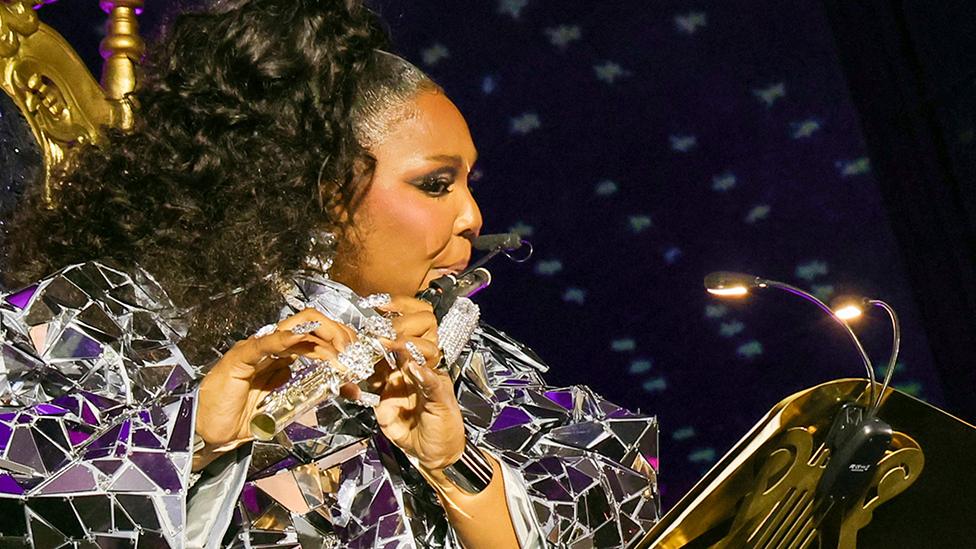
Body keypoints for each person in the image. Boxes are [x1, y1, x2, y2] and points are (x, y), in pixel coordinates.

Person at [0, 0, 660, 547]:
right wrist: (197, 432)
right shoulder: (89, 321)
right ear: (314, 189)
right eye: (435, 184)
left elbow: (621, 496)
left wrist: (453, 461)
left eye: (466, 182)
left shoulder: (463, 357)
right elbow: (23, 510)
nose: (472, 216)